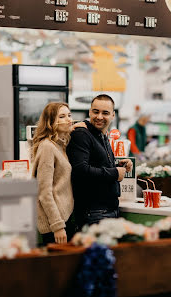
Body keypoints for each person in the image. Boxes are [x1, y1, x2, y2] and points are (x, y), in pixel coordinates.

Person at [67, 94, 133, 229]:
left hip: (108, 210)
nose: (99, 117)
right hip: (94, 212)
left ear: (113, 115)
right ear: (90, 111)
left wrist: (117, 166)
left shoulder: (102, 135)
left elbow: (97, 165)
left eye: (105, 113)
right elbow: (80, 170)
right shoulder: (82, 134)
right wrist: (115, 173)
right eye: (96, 112)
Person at [31, 102, 85, 245]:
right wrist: (57, 226)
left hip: (64, 219)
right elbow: (44, 192)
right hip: (56, 225)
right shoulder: (47, 147)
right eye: (62, 116)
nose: (68, 119)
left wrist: (73, 128)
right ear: (50, 122)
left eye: (69, 115)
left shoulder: (59, 145)